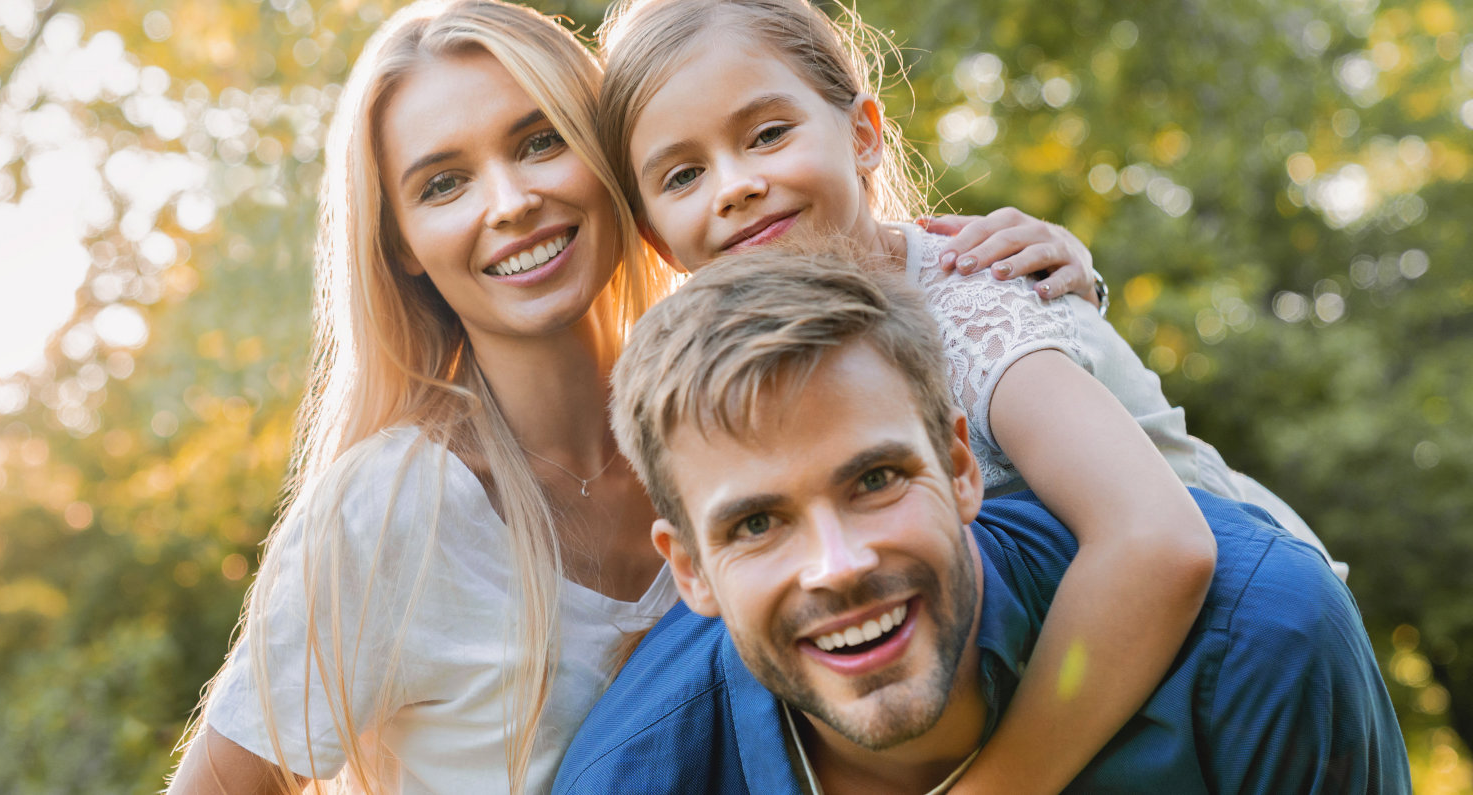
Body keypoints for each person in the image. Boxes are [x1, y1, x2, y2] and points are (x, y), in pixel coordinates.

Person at [166, 0, 1174, 791]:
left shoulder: (735, 405)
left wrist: (1040, 288)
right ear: (401, 247)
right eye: (443, 183)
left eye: (539, 141)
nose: (511, 202)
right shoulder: (391, 513)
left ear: (617, 170)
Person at [557, 248, 1407, 793]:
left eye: (876, 480)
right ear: (690, 569)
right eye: (755, 525)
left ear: (962, 467)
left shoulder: (1263, 645)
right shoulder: (632, 774)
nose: (839, 563)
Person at [595, 0, 1341, 579]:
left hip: (1254, 619)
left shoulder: (974, 303)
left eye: (767, 135)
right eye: (684, 175)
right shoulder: (730, 371)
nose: (735, 186)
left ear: (862, 136)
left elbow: (1160, 541)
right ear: (656, 237)